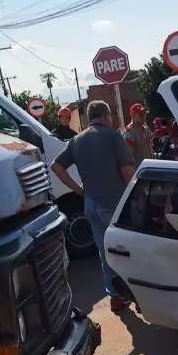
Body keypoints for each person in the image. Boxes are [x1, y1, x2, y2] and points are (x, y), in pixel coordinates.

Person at [51, 100, 136, 313]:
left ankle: (115, 296)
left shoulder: (77, 140)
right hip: (114, 204)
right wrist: (137, 196)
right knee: (127, 250)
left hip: (90, 204)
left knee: (103, 251)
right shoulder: (113, 137)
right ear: (106, 115)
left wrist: (79, 189)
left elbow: (56, 166)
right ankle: (137, 295)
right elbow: (128, 173)